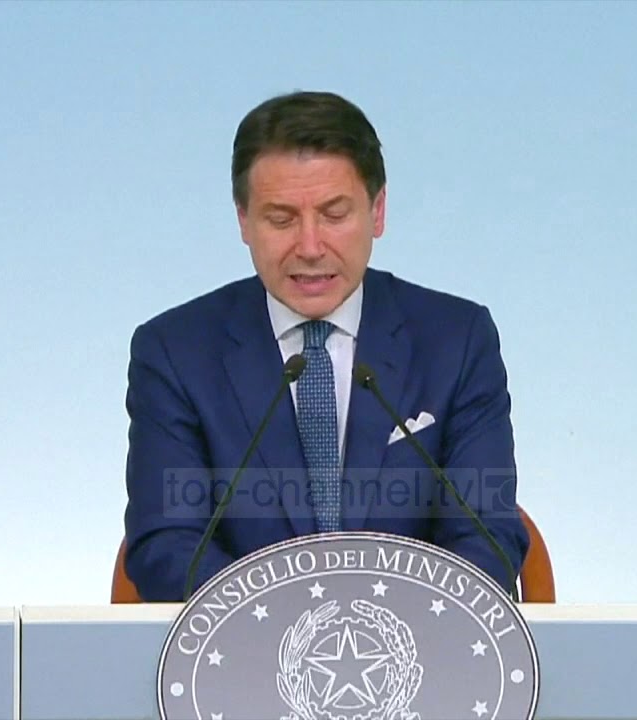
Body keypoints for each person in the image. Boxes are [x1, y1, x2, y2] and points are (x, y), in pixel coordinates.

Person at [122, 90, 529, 601]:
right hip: (243, 645)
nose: (310, 247)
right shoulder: (174, 353)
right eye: (281, 219)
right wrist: (305, 624)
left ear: (377, 211)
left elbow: (486, 536)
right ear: (243, 220)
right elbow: (167, 546)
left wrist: (374, 628)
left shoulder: (457, 340)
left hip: (415, 643)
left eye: (335, 215)